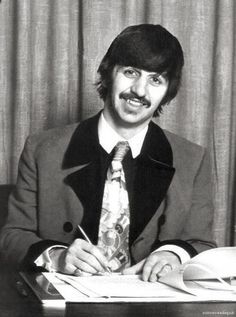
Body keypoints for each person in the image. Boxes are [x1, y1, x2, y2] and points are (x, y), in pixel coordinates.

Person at [0, 24, 216, 282]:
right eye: (130, 72)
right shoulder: (42, 150)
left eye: (155, 79)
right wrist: (56, 256)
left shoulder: (194, 159)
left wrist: (174, 254)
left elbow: (202, 243)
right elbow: (12, 237)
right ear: (108, 73)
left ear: (168, 92)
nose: (139, 90)